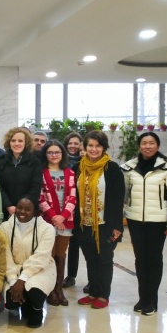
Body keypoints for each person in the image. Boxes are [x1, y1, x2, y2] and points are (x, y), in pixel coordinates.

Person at [122, 132, 167, 316]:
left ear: (157, 145)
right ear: (139, 146)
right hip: (135, 220)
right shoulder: (130, 167)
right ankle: (142, 298)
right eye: (144, 143)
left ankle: (152, 300)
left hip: (158, 221)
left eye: (151, 143)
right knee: (140, 259)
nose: (147, 146)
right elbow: (123, 194)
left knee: (154, 260)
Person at [74, 130, 125, 310]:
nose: (94, 149)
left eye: (98, 146)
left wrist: (117, 226)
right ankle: (93, 292)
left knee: (104, 259)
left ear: (104, 148)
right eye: (90, 145)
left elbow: (118, 199)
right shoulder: (78, 167)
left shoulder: (112, 168)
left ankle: (103, 295)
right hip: (84, 223)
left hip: (105, 224)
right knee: (90, 259)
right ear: (84, 147)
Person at [1, 198, 56, 328]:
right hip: (13, 269)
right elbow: (5, 256)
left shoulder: (47, 229)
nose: (22, 211)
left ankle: (37, 309)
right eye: (19, 207)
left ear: (35, 211)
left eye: (27, 209)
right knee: (11, 301)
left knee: (35, 291)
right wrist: (13, 281)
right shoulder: (5, 227)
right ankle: (24, 304)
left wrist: (22, 280)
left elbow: (40, 257)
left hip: (40, 268)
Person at [39, 140, 76, 307]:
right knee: (50, 255)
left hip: (65, 220)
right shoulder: (41, 173)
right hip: (47, 219)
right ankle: (50, 290)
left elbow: (73, 197)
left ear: (62, 154)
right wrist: (54, 217)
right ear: (45, 154)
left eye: (57, 152)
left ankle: (59, 289)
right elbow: (40, 197)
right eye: (50, 152)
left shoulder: (70, 173)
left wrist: (63, 216)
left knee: (60, 255)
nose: (54, 155)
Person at [0, 127, 43, 220]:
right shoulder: (1, 161)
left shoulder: (35, 162)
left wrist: (20, 208)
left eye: (20, 141)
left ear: (26, 143)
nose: (16, 144)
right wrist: (8, 206)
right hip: (5, 210)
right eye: (13, 140)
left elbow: (36, 188)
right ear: (9, 142)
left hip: (27, 210)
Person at [62, 131, 84, 289]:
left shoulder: (86, 161)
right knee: (66, 245)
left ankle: (78, 277)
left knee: (81, 244)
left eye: (76, 143)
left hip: (82, 208)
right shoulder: (62, 161)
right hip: (64, 208)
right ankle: (67, 276)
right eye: (70, 143)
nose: (73, 146)